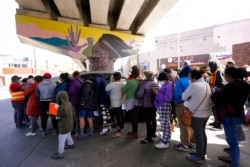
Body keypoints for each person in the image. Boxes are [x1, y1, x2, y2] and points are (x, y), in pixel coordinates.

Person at [212, 67, 249, 167]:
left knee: (233, 143)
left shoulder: (230, 86)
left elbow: (217, 97)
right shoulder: (245, 85)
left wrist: (215, 92)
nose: (224, 77)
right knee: (234, 141)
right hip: (239, 115)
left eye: (225, 75)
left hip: (230, 116)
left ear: (229, 76)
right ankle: (233, 159)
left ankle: (235, 164)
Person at [182, 69, 212, 164]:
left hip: (197, 114)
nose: (189, 80)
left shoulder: (194, 85)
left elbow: (183, 96)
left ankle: (199, 156)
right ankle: (203, 152)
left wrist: (189, 100)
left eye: (190, 78)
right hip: (206, 113)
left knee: (198, 135)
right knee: (202, 133)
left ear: (194, 78)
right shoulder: (206, 84)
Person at [173, 64, 194, 152]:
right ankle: (193, 142)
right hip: (193, 105)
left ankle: (185, 144)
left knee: (183, 124)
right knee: (191, 125)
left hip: (182, 105)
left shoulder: (181, 80)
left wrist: (176, 101)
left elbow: (177, 95)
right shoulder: (193, 80)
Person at [136, 71, 159, 143]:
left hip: (146, 105)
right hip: (154, 105)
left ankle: (149, 138)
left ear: (146, 76)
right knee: (153, 119)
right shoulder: (156, 83)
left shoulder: (144, 84)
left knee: (148, 121)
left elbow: (139, 95)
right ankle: (153, 133)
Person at [51, 91, 74, 159]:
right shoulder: (69, 103)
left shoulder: (61, 107)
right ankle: (71, 144)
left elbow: (57, 117)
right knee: (68, 134)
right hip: (70, 123)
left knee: (61, 138)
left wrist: (51, 114)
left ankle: (60, 153)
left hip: (64, 125)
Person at [153, 72, 174, 149]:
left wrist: (158, 93)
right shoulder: (168, 85)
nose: (160, 82)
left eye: (160, 80)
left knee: (164, 124)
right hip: (164, 106)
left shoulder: (168, 86)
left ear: (163, 79)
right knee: (166, 123)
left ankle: (165, 142)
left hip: (164, 105)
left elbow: (168, 98)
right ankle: (167, 138)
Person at [36, 72, 57, 137]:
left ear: (43, 77)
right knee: (54, 117)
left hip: (42, 102)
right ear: (50, 77)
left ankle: (44, 131)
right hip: (52, 102)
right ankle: (55, 130)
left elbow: (37, 94)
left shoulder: (39, 85)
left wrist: (42, 97)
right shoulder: (54, 84)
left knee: (43, 117)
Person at [123, 67, 141, 139]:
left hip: (130, 101)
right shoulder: (139, 82)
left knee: (133, 118)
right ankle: (134, 131)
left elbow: (124, 90)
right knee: (135, 117)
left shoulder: (129, 82)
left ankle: (135, 132)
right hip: (138, 101)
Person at [208, 59, 226, 130]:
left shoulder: (218, 72)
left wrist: (215, 89)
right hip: (214, 94)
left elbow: (222, 84)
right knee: (214, 109)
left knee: (218, 109)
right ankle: (216, 121)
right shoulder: (214, 73)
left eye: (210, 65)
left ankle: (219, 123)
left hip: (218, 95)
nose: (209, 67)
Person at [105, 72, 125, 137]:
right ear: (120, 77)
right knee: (121, 115)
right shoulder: (122, 84)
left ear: (114, 78)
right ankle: (121, 128)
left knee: (118, 116)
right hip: (121, 102)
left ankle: (119, 131)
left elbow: (106, 88)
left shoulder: (113, 84)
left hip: (115, 103)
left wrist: (111, 81)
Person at [78, 75, 97, 140]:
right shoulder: (93, 85)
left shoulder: (87, 84)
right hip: (90, 104)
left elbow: (85, 93)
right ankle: (91, 132)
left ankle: (81, 134)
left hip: (85, 104)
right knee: (89, 118)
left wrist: (82, 101)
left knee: (81, 118)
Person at [68, 71, 83, 137]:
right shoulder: (81, 81)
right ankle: (82, 130)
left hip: (74, 101)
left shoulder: (74, 82)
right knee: (81, 117)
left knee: (76, 117)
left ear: (73, 75)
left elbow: (71, 91)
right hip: (81, 101)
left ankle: (77, 131)